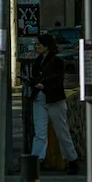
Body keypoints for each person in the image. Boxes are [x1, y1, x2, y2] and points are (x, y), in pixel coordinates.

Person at [31, 33, 80, 174]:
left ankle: (72, 160)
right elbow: (36, 77)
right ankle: (36, 161)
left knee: (62, 131)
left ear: (47, 46)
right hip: (39, 99)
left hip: (54, 100)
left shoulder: (57, 62)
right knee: (39, 133)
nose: (36, 47)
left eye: (39, 45)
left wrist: (44, 86)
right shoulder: (37, 61)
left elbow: (57, 80)